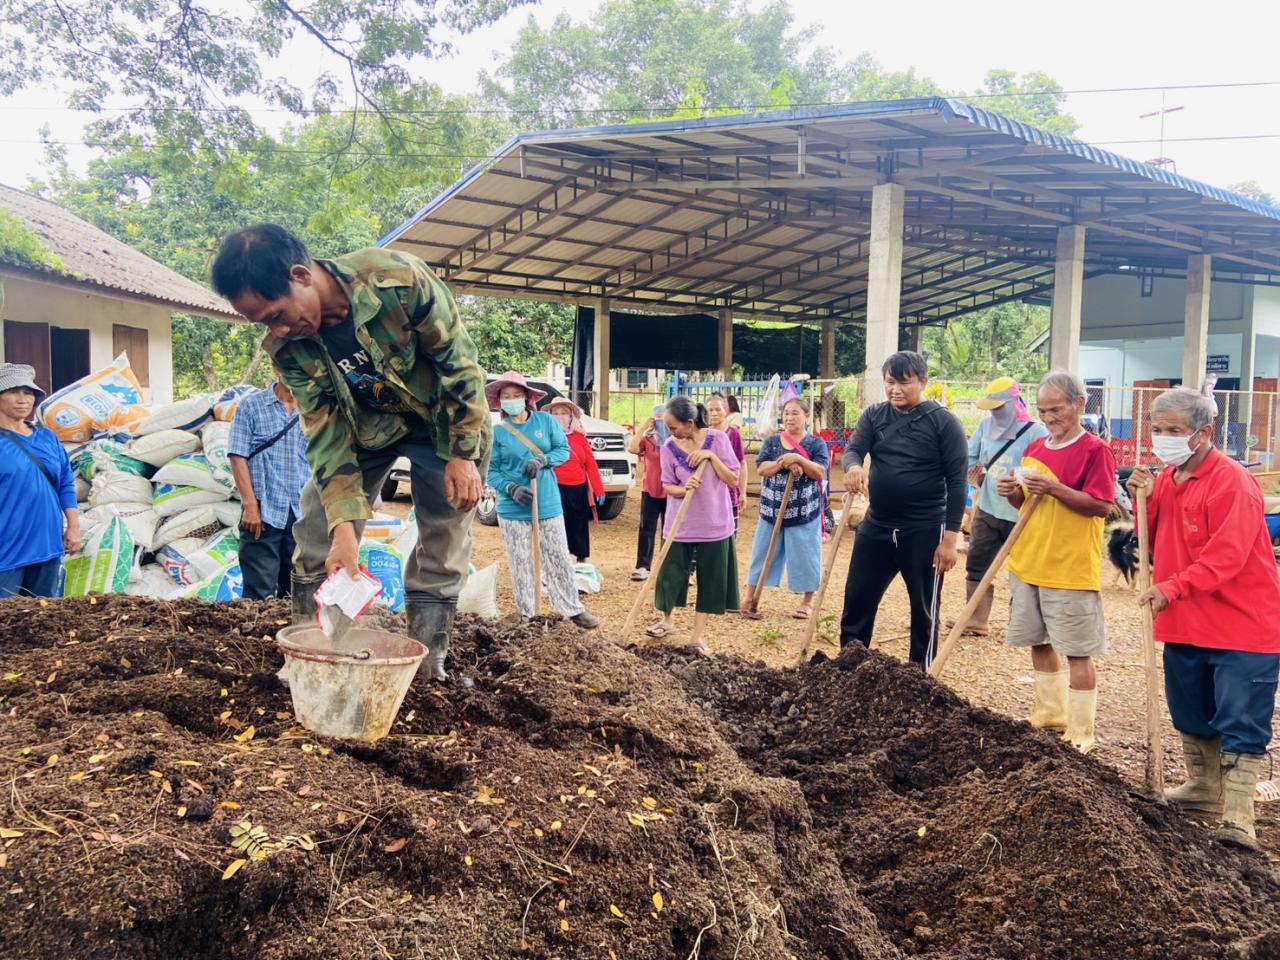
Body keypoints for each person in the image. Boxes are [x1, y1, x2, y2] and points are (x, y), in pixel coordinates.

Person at [210, 223, 491, 682]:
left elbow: (459, 367)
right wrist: (345, 529)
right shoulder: (288, 346)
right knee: (318, 527)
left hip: (444, 423)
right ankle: (314, 650)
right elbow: (324, 431)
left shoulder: (398, 281)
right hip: (366, 428)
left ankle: (427, 661)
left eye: (278, 314)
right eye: (264, 323)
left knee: (444, 537)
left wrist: (463, 453)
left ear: (301, 275)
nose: (279, 329)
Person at [1127, 388, 1280, 850]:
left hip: (1241, 622)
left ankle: (1238, 813)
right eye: (1158, 430)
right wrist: (1145, 500)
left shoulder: (1231, 481)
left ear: (1204, 433)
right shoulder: (1168, 479)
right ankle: (1203, 787)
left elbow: (1228, 555)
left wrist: (1171, 588)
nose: (1164, 439)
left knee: (1240, 713)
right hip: (1187, 620)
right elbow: (1149, 538)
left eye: (1175, 431)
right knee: (1190, 706)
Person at [996, 371, 1115, 754]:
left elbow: (1101, 505)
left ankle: (1081, 730)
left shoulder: (1095, 450)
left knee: (1078, 649)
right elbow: (1029, 507)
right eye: (1042, 410)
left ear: (1079, 405)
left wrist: (1055, 489)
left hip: (1069, 565)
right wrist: (1014, 493)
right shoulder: (1036, 450)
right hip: (1029, 560)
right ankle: (1049, 713)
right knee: (1037, 641)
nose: (1048, 417)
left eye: (1056, 409)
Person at [839, 351, 967, 667]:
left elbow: (957, 483)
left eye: (904, 383)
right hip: (878, 523)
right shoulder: (874, 415)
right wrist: (854, 467)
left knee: (924, 607)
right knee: (857, 598)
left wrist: (950, 540)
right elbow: (854, 450)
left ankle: (920, 674)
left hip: (925, 528)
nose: (895, 389)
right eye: (890, 382)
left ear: (922, 382)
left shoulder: (944, 423)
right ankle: (849, 667)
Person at [487, 372, 599, 628]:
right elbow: (490, 471)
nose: (512, 400)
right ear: (500, 401)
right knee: (522, 563)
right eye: (506, 396)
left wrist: (543, 460)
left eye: (517, 395)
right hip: (513, 510)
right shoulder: (498, 433)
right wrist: (511, 487)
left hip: (547, 503)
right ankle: (527, 614)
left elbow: (563, 450)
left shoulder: (546, 422)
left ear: (527, 398)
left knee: (558, 556)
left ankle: (572, 609)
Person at [953, 377, 1048, 635]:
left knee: (1025, 568)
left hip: (1022, 514)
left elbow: (1041, 470)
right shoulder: (986, 426)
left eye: (999, 408)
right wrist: (976, 481)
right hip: (987, 509)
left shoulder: (1036, 432)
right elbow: (970, 459)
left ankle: (1025, 624)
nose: (995, 413)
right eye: (991, 409)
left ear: (1014, 403)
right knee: (977, 563)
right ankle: (975, 619)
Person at [647, 396, 740, 655]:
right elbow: (667, 484)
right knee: (671, 575)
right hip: (681, 523)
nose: (671, 432)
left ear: (690, 424)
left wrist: (710, 457)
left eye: (674, 427)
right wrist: (682, 488)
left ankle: (697, 636)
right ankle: (668, 620)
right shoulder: (668, 446)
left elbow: (732, 478)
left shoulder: (718, 440)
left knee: (710, 580)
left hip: (714, 523)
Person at [742, 397, 827, 619]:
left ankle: (807, 601)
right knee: (761, 553)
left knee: (807, 556)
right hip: (771, 510)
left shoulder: (816, 444)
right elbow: (761, 468)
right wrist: (784, 462)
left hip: (803, 512)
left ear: (807, 417)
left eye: (795, 413)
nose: (789, 417)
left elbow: (820, 472)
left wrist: (799, 459)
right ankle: (750, 596)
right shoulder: (772, 442)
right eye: (786, 413)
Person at [0, 364, 80, 598]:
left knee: (42, 621)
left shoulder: (46, 438)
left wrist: (73, 526)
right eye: (13, 391)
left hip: (47, 546)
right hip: (7, 550)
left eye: (28, 392)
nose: (22, 399)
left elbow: (65, 482)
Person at [228, 381, 310, 600]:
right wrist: (250, 506)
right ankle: (257, 634)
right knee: (259, 593)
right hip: (264, 513)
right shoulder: (252, 406)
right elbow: (237, 456)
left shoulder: (313, 409)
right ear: (277, 370)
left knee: (297, 594)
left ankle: (290, 635)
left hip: (301, 515)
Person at [545, 396, 605, 563]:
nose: (559, 416)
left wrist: (599, 489)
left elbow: (591, 464)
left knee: (578, 521)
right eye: (555, 413)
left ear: (571, 416)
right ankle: (559, 555)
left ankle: (581, 556)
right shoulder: (546, 438)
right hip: (554, 486)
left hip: (578, 486)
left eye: (564, 412)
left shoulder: (579, 438)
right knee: (557, 521)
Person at [627, 404, 668, 581]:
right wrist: (644, 427)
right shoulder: (649, 438)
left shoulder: (676, 439)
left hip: (671, 490)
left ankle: (666, 565)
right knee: (647, 528)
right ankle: (643, 565)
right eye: (658, 417)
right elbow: (633, 448)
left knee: (669, 528)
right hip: (650, 488)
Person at [707, 393, 748, 526]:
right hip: (708, 494)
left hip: (729, 493)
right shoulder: (702, 434)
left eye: (718, 409)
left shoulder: (733, 434)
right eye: (710, 410)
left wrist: (742, 492)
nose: (714, 413)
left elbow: (741, 463)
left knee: (730, 534)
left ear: (725, 411)